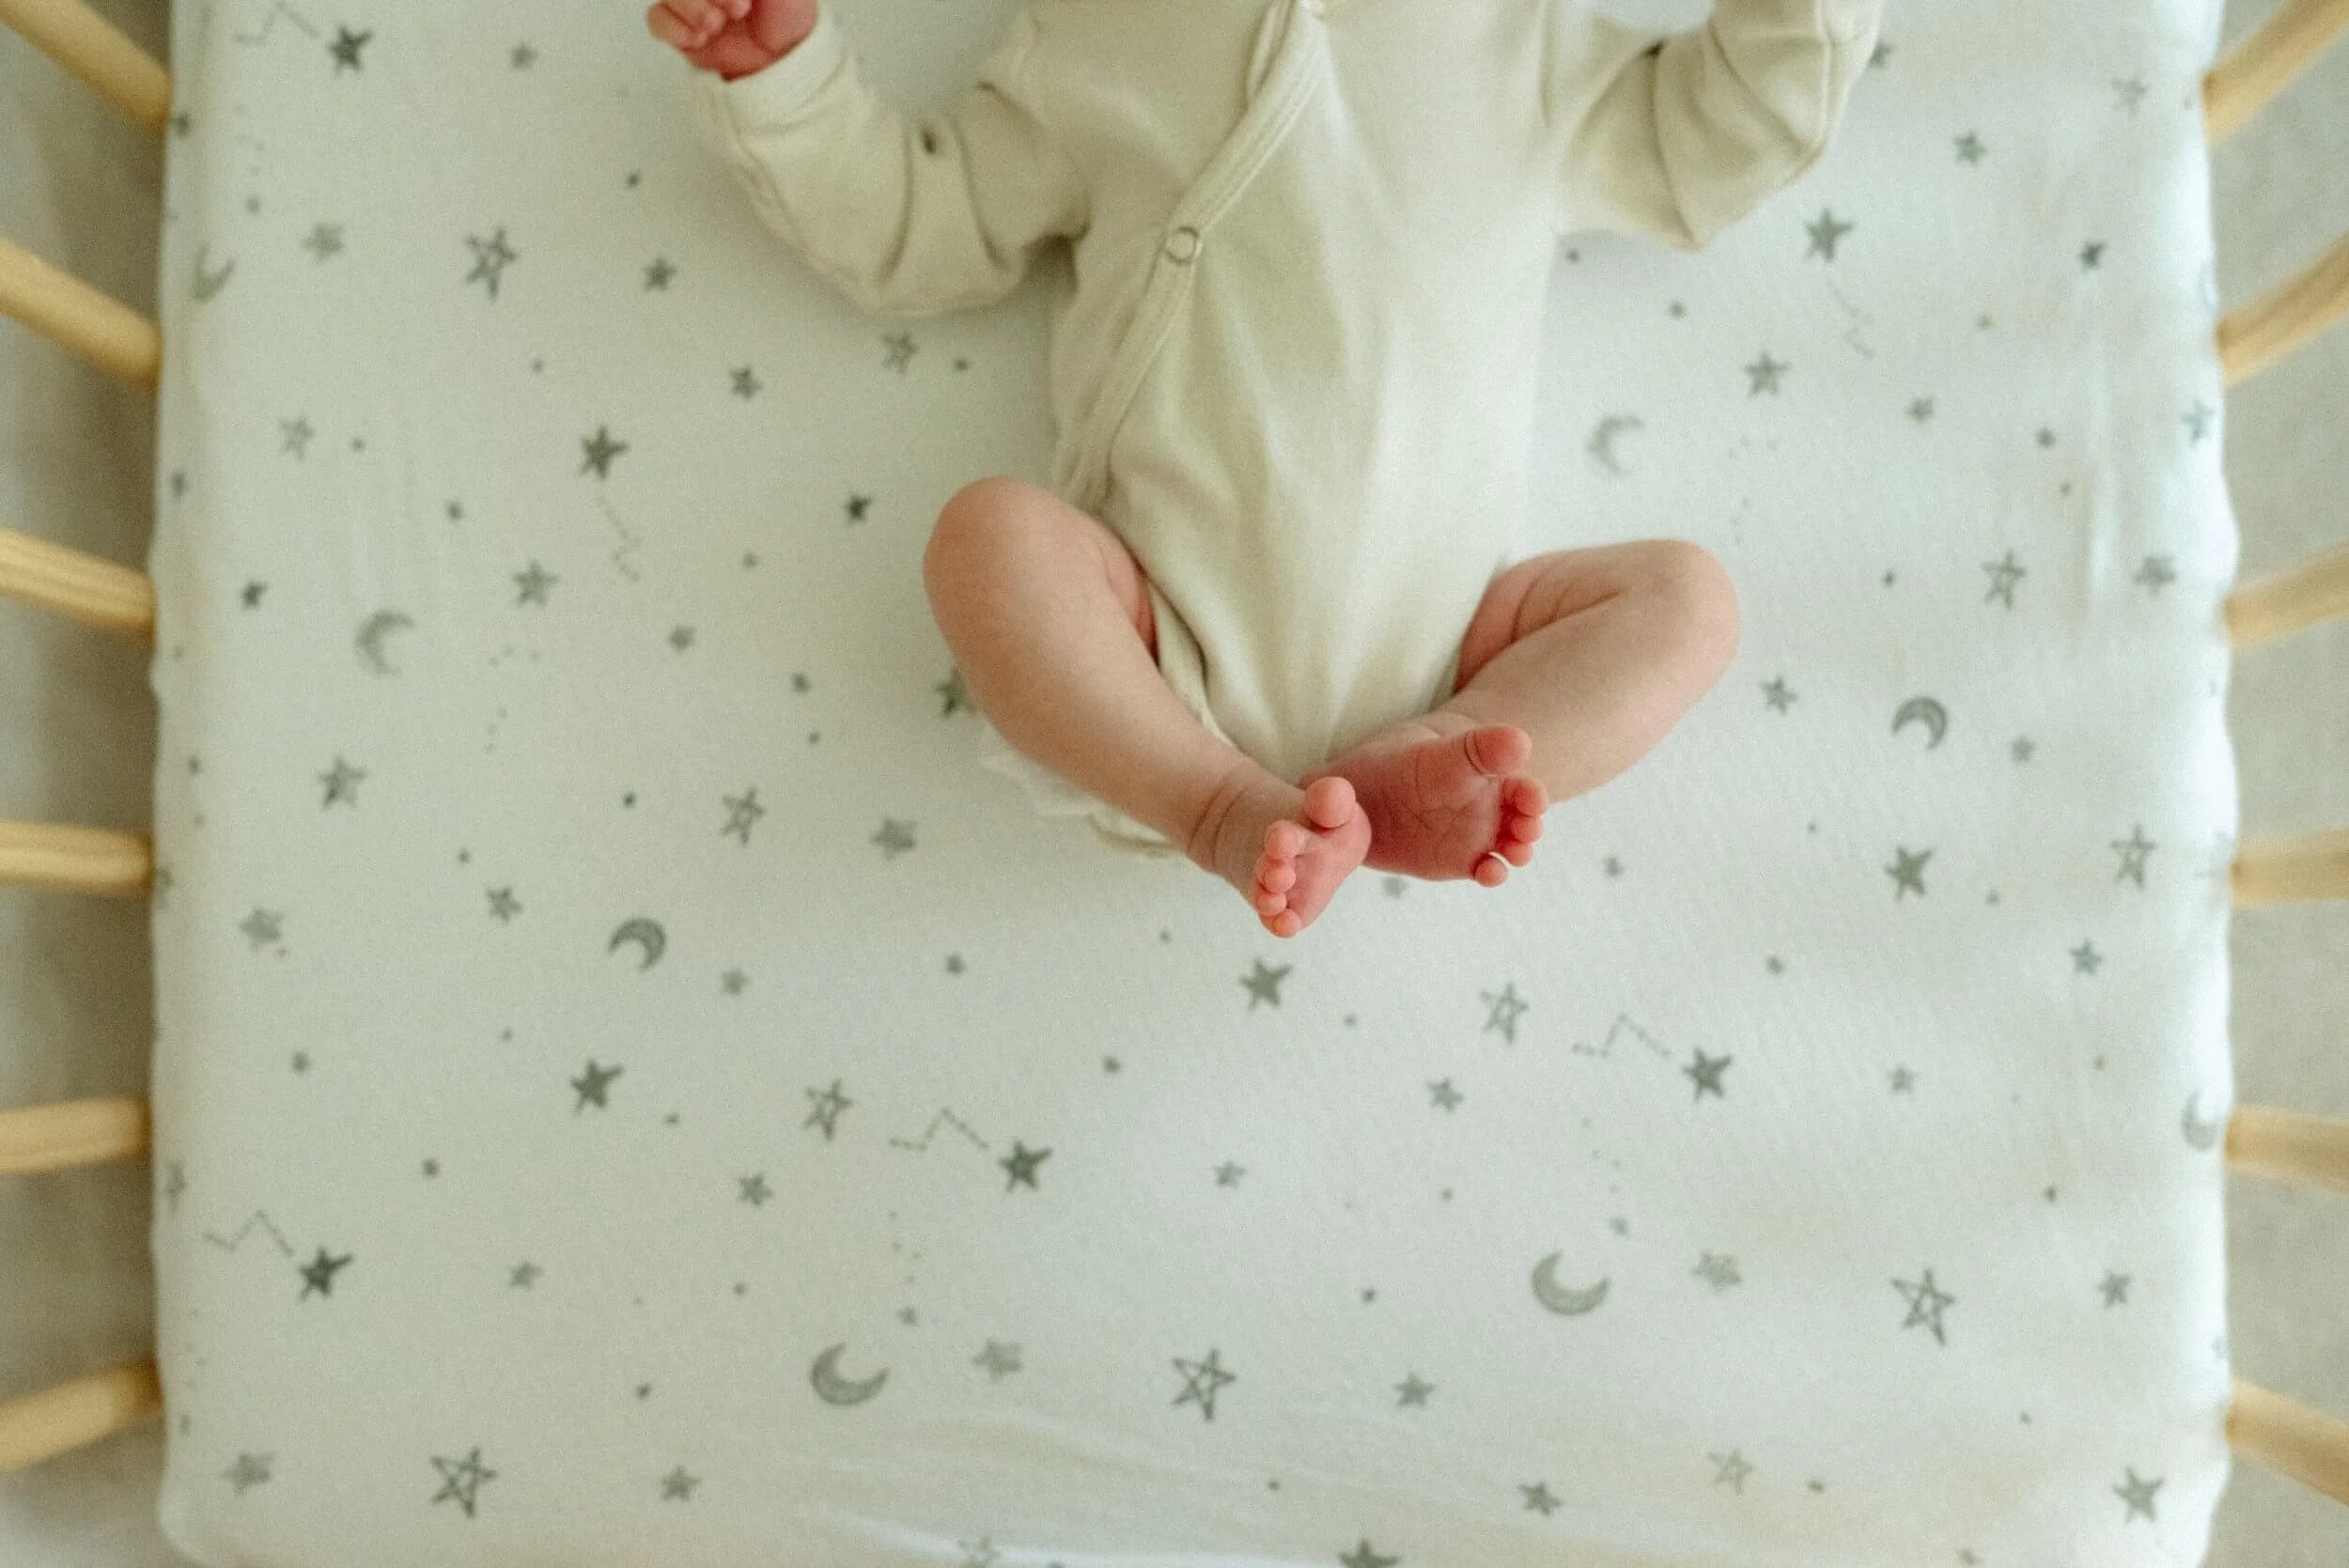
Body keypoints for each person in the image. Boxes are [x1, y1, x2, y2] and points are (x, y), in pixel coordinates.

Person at [651, 0, 1879, 936]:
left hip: (1466, 650)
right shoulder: (1102, 35)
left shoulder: (1518, 38)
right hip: (1145, 643)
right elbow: (925, 228)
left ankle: (1453, 762)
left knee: (1684, 605)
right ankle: (1210, 805)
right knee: (992, 541)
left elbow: (1706, 143)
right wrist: (786, 83)